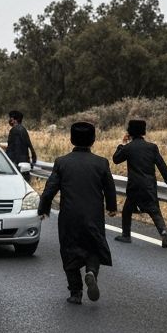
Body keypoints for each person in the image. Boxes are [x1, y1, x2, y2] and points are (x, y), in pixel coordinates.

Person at [38, 121, 117, 304]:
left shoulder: (62, 162)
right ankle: (91, 271)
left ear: (71, 139)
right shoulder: (101, 163)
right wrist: (112, 208)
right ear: (93, 140)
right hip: (93, 216)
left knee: (69, 252)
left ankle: (75, 292)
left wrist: (43, 209)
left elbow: (50, 188)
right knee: (94, 248)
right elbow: (110, 189)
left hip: (69, 217)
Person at [112, 119, 167, 246]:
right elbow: (162, 165)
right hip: (149, 186)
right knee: (155, 211)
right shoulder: (152, 147)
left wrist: (122, 144)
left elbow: (116, 159)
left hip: (135, 186)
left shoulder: (129, 148)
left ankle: (126, 235)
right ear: (143, 132)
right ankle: (164, 235)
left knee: (127, 210)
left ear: (130, 132)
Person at [6, 110, 37, 181]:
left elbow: (11, 149)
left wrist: (8, 162)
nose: (10, 120)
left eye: (11, 118)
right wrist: (33, 158)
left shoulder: (13, 131)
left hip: (17, 165)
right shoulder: (23, 130)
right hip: (26, 162)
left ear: (14, 120)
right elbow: (29, 145)